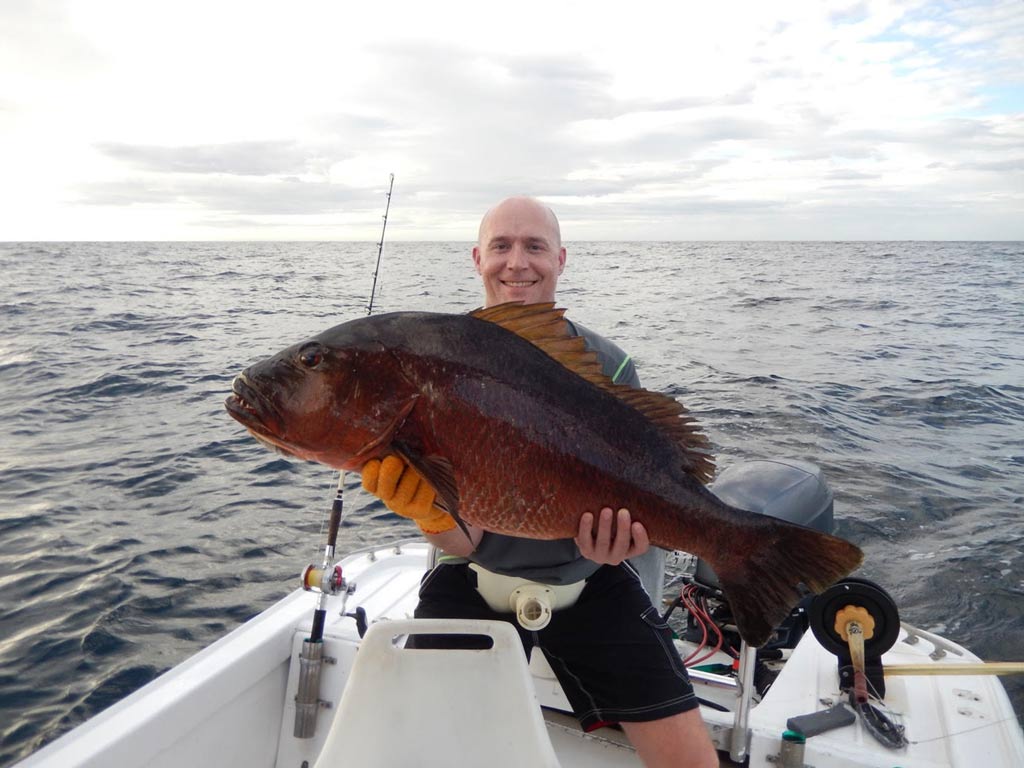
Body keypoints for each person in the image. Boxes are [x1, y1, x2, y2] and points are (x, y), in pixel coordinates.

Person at [360, 196, 719, 768]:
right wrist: (432, 517)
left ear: (561, 259)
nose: (517, 262)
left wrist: (626, 543)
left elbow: (655, 481)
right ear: (477, 258)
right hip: (472, 574)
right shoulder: (438, 357)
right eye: (501, 245)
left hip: (591, 575)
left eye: (534, 246)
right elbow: (465, 542)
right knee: (420, 747)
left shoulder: (610, 364)